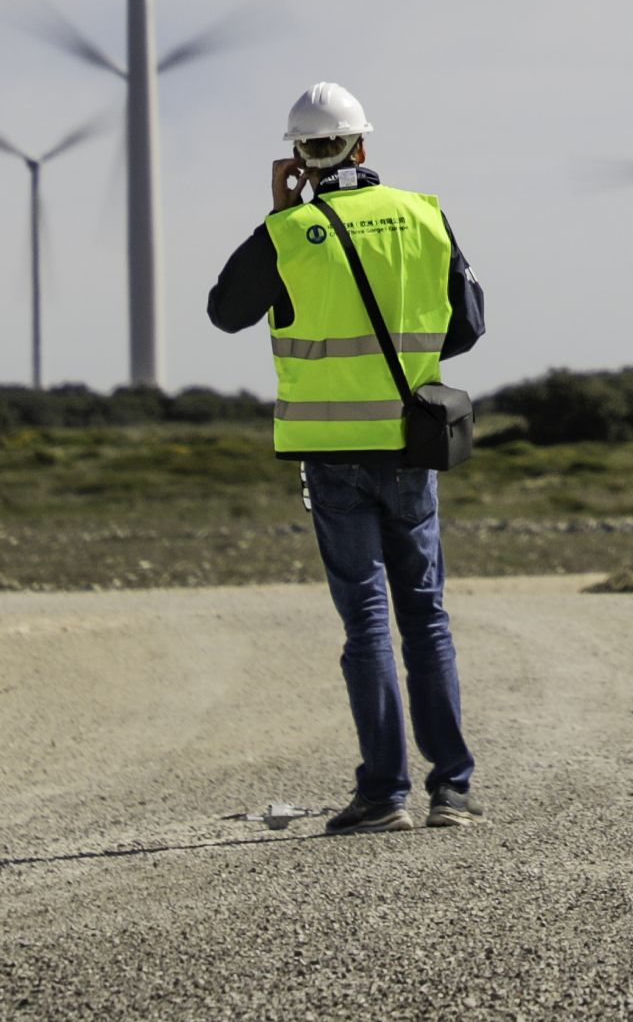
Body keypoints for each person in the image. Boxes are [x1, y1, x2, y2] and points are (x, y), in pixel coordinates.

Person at [206, 80, 488, 834]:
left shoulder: (292, 233)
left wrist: (281, 212)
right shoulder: (424, 214)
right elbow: (467, 326)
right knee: (425, 615)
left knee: (366, 621)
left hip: (330, 453)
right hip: (410, 444)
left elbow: (225, 312)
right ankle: (451, 790)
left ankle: (383, 793)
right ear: (363, 147)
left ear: (299, 154)